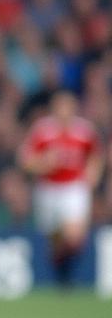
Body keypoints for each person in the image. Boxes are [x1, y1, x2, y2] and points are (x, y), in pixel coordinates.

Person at [18, 90, 105, 288]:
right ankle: (61, 275)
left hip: (74, 187)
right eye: (60, 106)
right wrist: (43, 164)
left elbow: (96, 156)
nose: (64, 110)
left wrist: (93, 173)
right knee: (55, 239)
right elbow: (26, 161)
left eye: (68, 106)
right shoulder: (42, 130)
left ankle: (70, 277)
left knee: (74, 235)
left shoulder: (84, 131)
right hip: (48, 189)